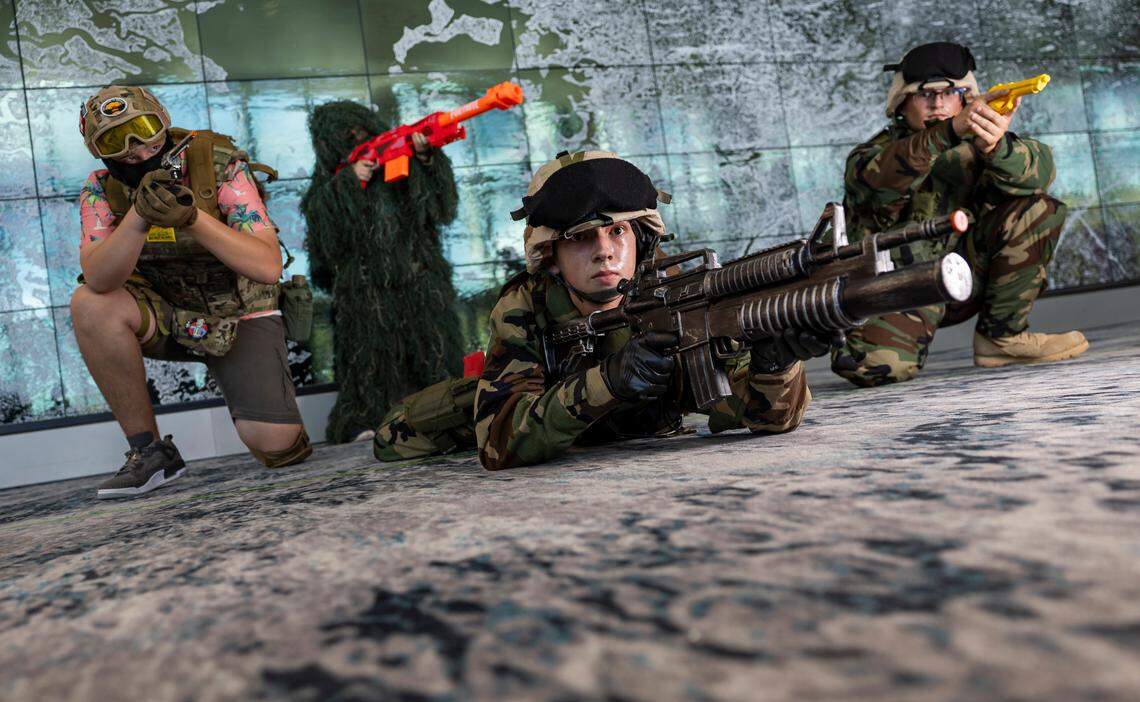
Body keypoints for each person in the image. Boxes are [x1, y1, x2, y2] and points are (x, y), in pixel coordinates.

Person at [470, 150, 831, 471]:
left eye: (617, 231)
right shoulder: (523, 307)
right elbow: (497, 445)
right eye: (580, 237)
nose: (605, 251)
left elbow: (767, 418)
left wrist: (774, 366)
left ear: (640, 239)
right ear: (550, 256)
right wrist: (607, 381)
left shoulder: (670, 292)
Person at [74, 85, 311, 499]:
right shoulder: (100, 189)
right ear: (97, 150)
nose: (134, 149)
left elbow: (267, 267)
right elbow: (99, 279)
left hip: (237, 310)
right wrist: (137, 219)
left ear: (163, 120)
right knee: (89, 304)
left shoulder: (219, 164)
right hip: (166, 314)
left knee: (276, 445)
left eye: (142, 130)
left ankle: (270, 408)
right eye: (114, 140)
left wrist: (191, 218)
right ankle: (150, 453)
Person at [831, 42, 1088, 387]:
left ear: (965, 99)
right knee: (871, 367)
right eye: (925, 95)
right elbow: (879, 183)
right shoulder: (875, 154)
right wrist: (949, 133)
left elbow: (1039, 173)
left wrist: (997, 146)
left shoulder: (981, 145)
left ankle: (1001, 338)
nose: (938, 103)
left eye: (950, 92)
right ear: (902, 103)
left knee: (1038, 208)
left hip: (964, 277)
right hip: (898, 289)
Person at [301, 101, 464, 443]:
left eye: (361, 131)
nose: (357, 137)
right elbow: (324, 240)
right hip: (364, 292)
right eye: (348, 135)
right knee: (369, 364)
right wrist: (348, 183)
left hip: (422, 282)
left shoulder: (399, 159)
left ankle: (447, 414)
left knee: (434, 356)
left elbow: (442, 209)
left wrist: (426, 159)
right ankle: (365, 420)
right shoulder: (327, 185)